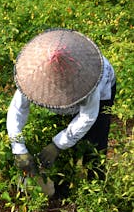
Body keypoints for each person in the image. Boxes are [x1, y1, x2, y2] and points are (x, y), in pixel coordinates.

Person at [7, 29, 116, 197]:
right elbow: (17, 110)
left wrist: (57, 145)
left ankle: (96, 190)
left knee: (95, 143)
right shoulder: (32, 75)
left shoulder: (89, 79)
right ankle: (62, 190)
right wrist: (19, 148)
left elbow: (88, 117)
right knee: (65, 135)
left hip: (101, 89)